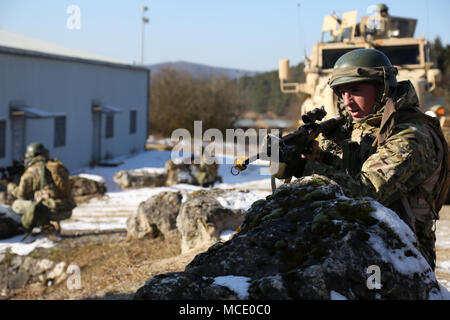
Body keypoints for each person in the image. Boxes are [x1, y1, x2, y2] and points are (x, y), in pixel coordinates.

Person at [272, 48, 450, 270]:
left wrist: (306, 167)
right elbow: (358, 169)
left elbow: (367, 191)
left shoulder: (412, 136)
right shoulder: (369, 124)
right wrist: (322, 158)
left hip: (402, 258)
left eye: (355, 90)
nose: (347, 101)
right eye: (342, 92)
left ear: (383, 88)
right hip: (365, 240)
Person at [7, 142, 76, 237]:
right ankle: (53, 223)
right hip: (66, 209)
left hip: (52, 211)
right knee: (43, 199)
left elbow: (21, 194)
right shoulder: (54, 165)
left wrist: (10, 186)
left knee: (16, 204)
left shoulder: (33, 170)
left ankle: (44, 224)